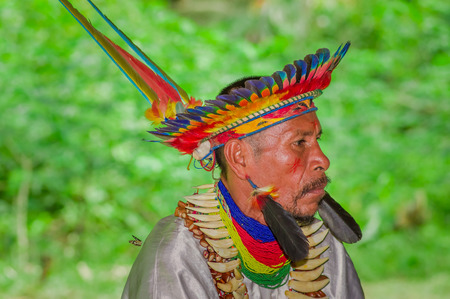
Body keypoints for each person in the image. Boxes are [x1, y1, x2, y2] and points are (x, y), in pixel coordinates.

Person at [60, 1, 364, 298]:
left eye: (317, 140)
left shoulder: (325, 249)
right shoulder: (178, 252)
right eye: (299, 143)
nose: (322, 159)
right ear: (239, 158)